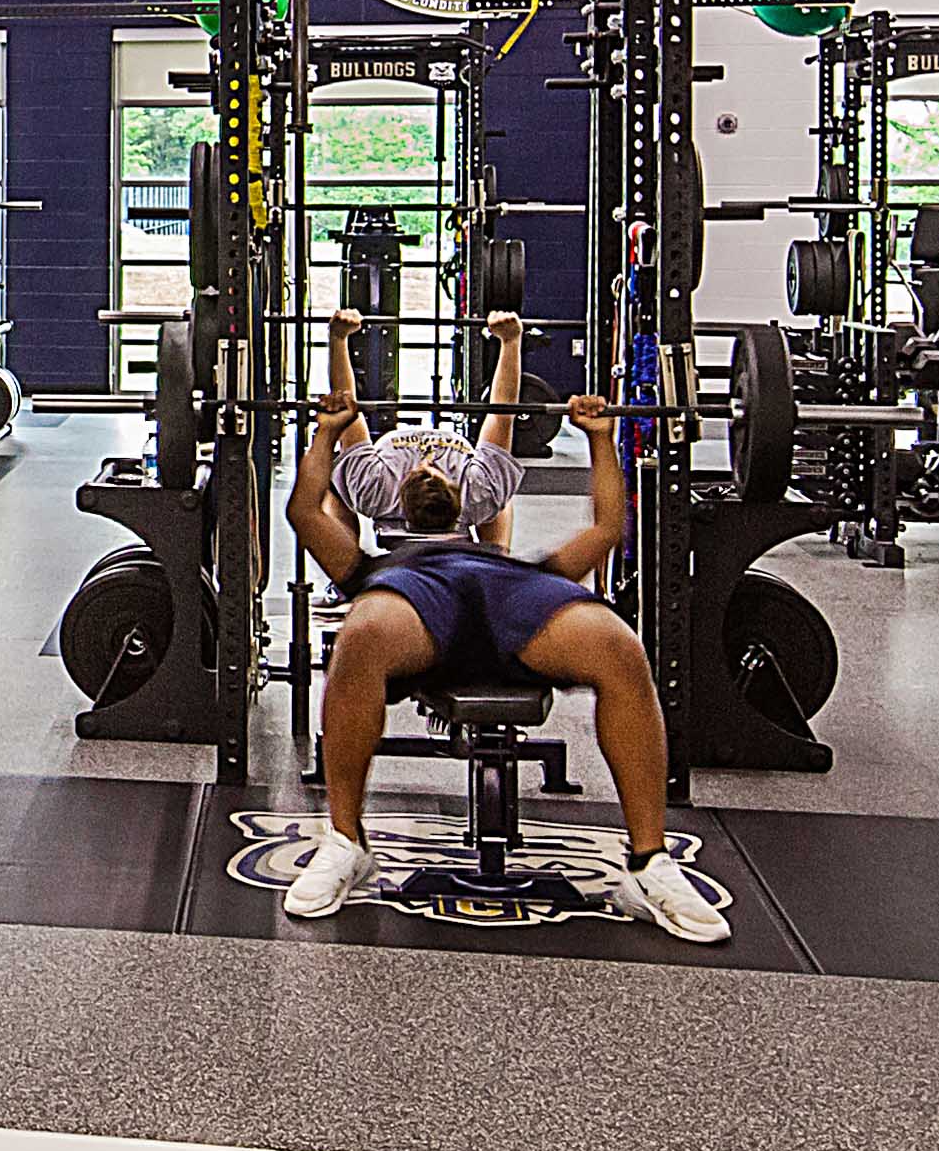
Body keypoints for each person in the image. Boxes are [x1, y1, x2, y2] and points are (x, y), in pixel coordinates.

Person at [275, 349, 729, 939]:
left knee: (618, 645)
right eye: (419, 471)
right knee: (360, 636)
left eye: (435, 470)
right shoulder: (371, 566)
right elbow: (304, 511)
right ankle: (345, 841)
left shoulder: (511, 560)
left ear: (467, 508)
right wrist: (326, 433)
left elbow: (606, 530)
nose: (427, 467)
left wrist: (599, 438)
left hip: (514, 595)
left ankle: (649, 864)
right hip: (415, 598)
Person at [326, 307, 533, 547]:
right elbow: (501, 414)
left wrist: (338, 338)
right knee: (498, 491)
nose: (427, 461)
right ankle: (496, 558)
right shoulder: (475, 493)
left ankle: (344, 563)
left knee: (335, 485)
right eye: (435, 473)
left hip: (384, 487)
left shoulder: (375, 490)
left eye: (420, 473)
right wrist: (510, 341)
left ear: (402, 497)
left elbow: (346, 406)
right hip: (479, 496)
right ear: (455, 497)